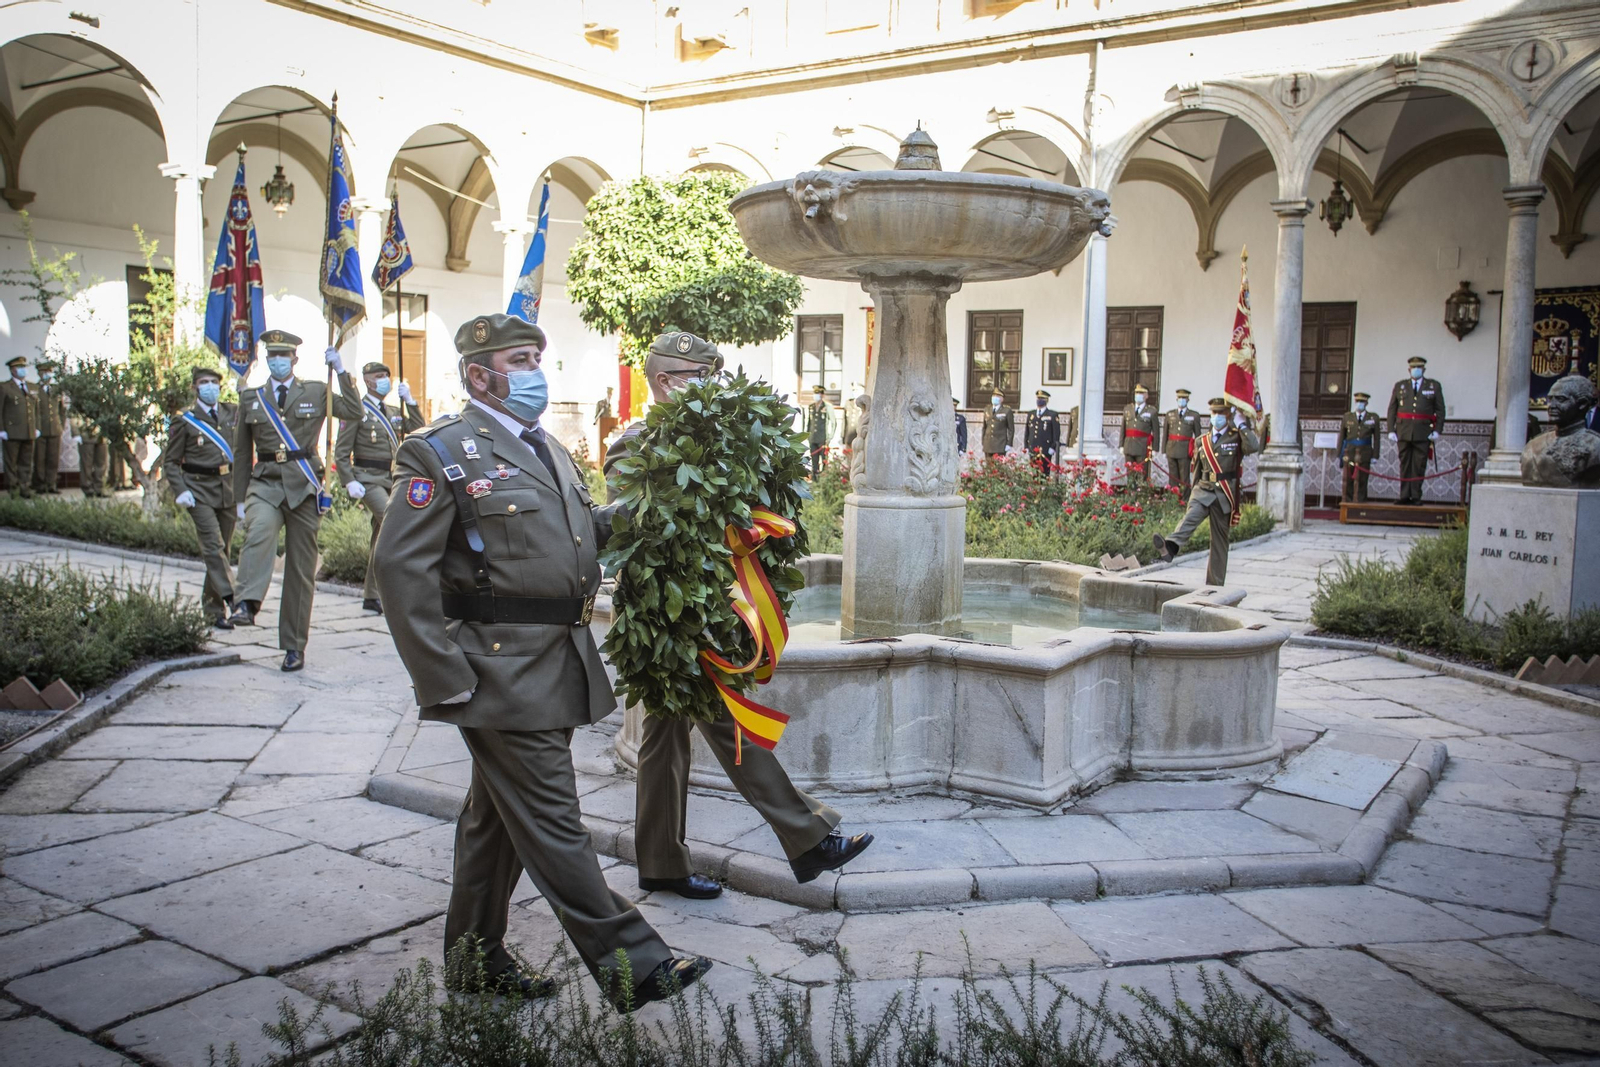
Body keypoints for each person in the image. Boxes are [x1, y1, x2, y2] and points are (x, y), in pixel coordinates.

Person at [376, 313, 711, 1012]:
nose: (535, 371)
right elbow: (398, 571)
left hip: (554, 660)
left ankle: (475, 959)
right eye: (520, 359)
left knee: (493, 823)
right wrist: (448, 679)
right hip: (496, 671)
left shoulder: (546, 448)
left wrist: (648, 506)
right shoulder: (439, 452)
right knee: (556, 822)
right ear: (480, 376)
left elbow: (580, 533)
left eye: (536, 356)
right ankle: (635, 962)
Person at [605, 332, 874, 900]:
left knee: (665, 738)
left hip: (712, 605)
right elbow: (639, 525)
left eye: (713, 376)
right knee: (720, 719)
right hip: (668, 619)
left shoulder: (722, 441)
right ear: (667, 382)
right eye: (698, 377)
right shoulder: (634, 443)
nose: (710, 388)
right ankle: (806, 838)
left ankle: (660, 862)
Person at [228, 331, 362, 671]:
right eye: (272, 356)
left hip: (304, 486)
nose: (277, 361)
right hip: (266, 483)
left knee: (301, 571)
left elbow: (353, 411)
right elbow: (243, 453)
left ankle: (293, 646)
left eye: (283, 355)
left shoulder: (316, 390)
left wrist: (342, 372)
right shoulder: (251, 398)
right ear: (266, 359)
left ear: (295, 360)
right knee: (258, 532)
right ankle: (247, 603)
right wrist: (239, 499)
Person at [335, 361, 424, 614]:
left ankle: (372, 596)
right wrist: (348, 479)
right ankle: (399, 588)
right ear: (367, 380)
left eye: (387, 375)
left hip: (391, 478)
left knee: (380, 537)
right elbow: (341, 452)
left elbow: (418, 429)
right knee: (393, 521)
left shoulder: (395, 410)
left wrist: (412, 401)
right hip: (368, 478)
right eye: (379, 376)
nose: (384, 379)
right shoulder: (356, 411)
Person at [1150, 398, 1261, 586]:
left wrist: (1242, 424)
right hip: (1203, 491)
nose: (1216, 417)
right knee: (1190, 518)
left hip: (1224, 495)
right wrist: (1193, 494)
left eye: (1221, 414)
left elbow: (1253, 446)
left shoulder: (1236, 438)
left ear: (1228, 416)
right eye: (1213, 413)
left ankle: (1215, 585)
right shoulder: (1202, 441)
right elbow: (1197, 472)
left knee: (1219, 542)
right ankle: (1170, 547)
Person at [163, 366, 239, 629]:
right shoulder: (185, 420)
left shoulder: (231, 413)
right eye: (204, 382)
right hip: (198, 491)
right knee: (213, 547)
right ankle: (234, 598)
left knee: (223, 552)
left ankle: (212, 611)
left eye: (214, 382)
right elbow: (170, 462)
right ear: (195, 388)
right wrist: (180, 490)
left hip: (227, 489)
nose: (210, 387)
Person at [1521, 374, 1600, 488]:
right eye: (1550, 399)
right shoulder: (1533, 446)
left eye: (1561, 399)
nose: (1551, 406)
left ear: (1582, 404)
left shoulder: (1595, 446)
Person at [1386, 355, 1444, 504]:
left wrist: (1437, 430)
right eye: (1413, 368)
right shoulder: (1400, 386)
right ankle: (1404, 495)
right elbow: (1392, 408)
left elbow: (1440, 409)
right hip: (1403, 431)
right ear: (1409, 370)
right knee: (1404, 463)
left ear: (1424, 369)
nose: (1416, 370)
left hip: (1423, 432)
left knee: (1419, 464)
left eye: (1419, 367)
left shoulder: (1433, 386)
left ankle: (1416, 496)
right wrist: (1391, 430)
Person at [31, 359, 71, 495]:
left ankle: (51, 483)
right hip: (40, 429)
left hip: (55, 428)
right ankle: (40, 484)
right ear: (39, 373)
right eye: (44, 372)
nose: (47, 374)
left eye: (49, 372)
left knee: (53, 458)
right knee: (40, 458)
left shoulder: (56, 390)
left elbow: (62, 410)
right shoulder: (34, 390)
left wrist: (61, 424)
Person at [1, 356, 38, 497]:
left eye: (24, 367)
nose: (23, 370)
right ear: (12, 370)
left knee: (26, 462)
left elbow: (36, 410)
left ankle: (25, 488)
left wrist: (36, 427)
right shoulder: (4, 387)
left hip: (28, 431)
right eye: (19, 368)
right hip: (12, 431)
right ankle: (13, 488)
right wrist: (1, 430)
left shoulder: (31, 387)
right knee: (11, 462)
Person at [1338, 391, 1381, 503]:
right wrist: (1340, 454)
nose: (1359, 404)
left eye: (1362, 401)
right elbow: (1342, 437)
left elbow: (1376, 439)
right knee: (1348, 478)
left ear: (1366, 403)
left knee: (1362, 479)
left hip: (1365, 452)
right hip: (1350, 451)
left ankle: (1360, 501)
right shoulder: (1347, 417)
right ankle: (1347, 502)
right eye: (1357, 401)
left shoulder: (1373, 418)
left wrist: (1375, 455)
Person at [1162, 389, 1202, 496]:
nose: (1181, 400)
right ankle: (1173, 498)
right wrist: (1163, 449)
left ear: (1188, 400)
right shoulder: (1170, 414)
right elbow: (1165, 433)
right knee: (1172, 476)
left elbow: (1198, 435)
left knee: (1184, 476)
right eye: (1179, 398)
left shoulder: (1194, 415)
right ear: (1176, 399)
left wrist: (1198, 451)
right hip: (1171, 448)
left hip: (1185, 450)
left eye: (1184, 398)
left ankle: (1184, 498)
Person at [1121, 383, 1158, 488]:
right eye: (1137, 393)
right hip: (1129, 445)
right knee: (1130, 474)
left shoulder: (1152, 411)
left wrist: (1155, 448)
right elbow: (1123, 428)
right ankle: (1130, 496)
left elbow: (1156, 431)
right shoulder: (1127, 409)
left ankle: (1141, 496)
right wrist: (1121, 444)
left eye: (1141, 393)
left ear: (1146, 396)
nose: (1138, 395)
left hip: (1142, 447)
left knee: (1142, 473)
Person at [1023, 389, 1061, 474]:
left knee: (1044, 471)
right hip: (1033, 447)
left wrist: (1053, 447)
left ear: (1046, 400)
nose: (1039, 400)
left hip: (1046, 448)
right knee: (1033, 471)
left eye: (1042, 399)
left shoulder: (1052, 414)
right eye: (1038, 398)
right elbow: (1027, 431)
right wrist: (1026, 445)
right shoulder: (1031, 414)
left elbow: (1056, 433)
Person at [804, 384, 833, 478]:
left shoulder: (827, 407)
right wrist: (807, 435)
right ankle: (815, 479)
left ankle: (823, 480)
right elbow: (809, 421)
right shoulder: (811, 406)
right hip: (813, 437)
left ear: (822, 395)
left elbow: (833, 422)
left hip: (822, 438)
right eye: (815, 393)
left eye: (818, 394)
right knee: (814, 460)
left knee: (824, 459)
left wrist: (829, 437)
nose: (816, 396)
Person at [982, 388, 1014, 459]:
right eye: (994, 396)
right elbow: (984, 427)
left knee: (998, 468)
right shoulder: (987, 409)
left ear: (1002, 399)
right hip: (988, 444)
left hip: (1000, 445)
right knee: (988, 467)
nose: (995, 398)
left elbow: (1011, 429)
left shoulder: (1007, 411)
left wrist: (1009, 444)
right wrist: (983, 441)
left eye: (998, 396)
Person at [79, 424, 109, 497]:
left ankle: (99, 488)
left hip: (101, 435)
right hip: (85, 434)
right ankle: (87, 488)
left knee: (101, 463)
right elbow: (74, 415)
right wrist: (76, 433)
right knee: (86, 464)